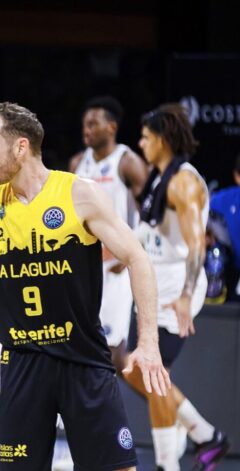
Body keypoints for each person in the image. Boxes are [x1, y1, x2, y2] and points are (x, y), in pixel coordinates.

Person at [0, 90, 170, 470]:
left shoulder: (79, 194)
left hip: (81, 357)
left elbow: (138, 257)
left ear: (21, 147)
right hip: (23, 363)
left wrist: (149, 343)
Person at [130, 104, 230, 471]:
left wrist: (187, 296)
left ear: (163, 139)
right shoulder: (159, 176)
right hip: (150, 287)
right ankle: (204, 434)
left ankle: (166, 464)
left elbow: (196, 244)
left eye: (145, 137)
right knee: (134, 368)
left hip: (174, 290)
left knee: (153, 372)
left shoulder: (184, 182)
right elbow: (152, 231)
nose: (141, 143)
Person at [68, 96, 149, 371]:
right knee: (78, 343)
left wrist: (125, 251)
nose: (86, 129)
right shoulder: (78, 162)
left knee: (112, 352)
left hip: (116, 269)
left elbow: (151, 219)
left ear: (111, 127)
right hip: (84, 266)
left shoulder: (128, 163)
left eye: (93, 124)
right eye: (84, 124)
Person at [208, 154, 240, 301]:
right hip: (234, 274)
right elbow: (202, 209)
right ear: (237, 177)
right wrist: (209, 233)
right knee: (216, 254)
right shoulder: (226, 199)